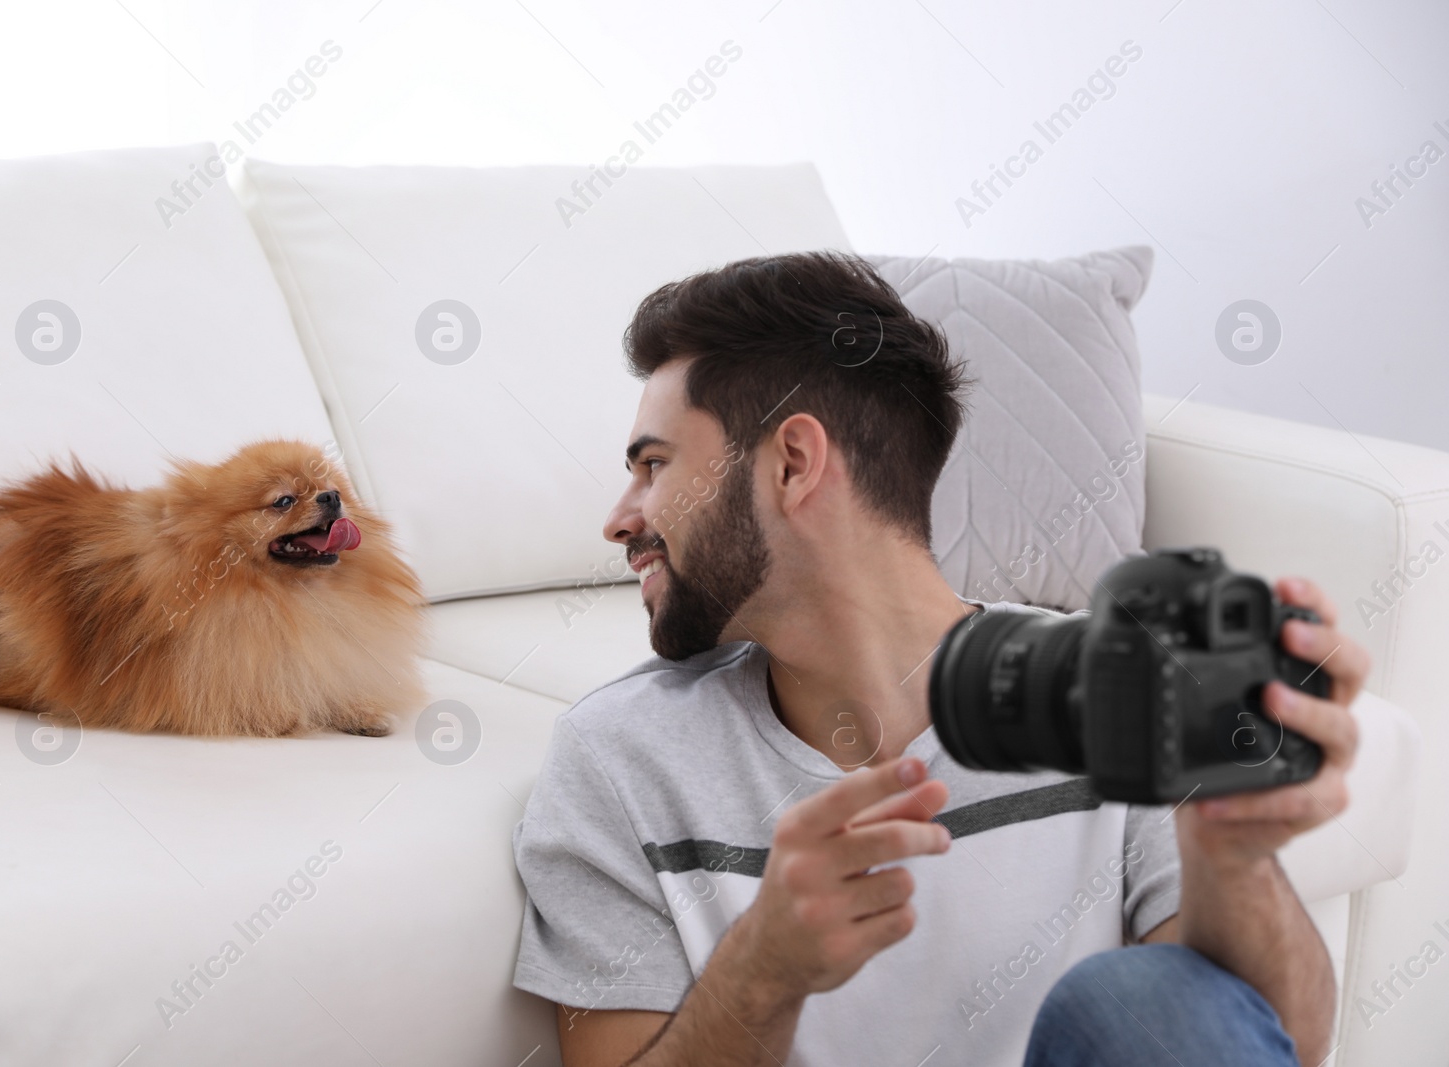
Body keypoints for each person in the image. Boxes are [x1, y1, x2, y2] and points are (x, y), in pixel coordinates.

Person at [510, 251, 1365, 1067]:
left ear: (794, 463)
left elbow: (1276, 1038)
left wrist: (1235, 856)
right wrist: (762, 968)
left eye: (654, 465)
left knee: (1137, 998)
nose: (621, 519)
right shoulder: (619, 757)